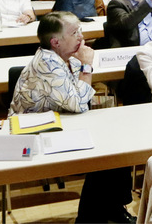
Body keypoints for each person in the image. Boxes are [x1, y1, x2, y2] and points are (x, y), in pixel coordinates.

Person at [9, 11, 134, 223]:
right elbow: (78, 103)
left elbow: (78, 95)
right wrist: (87, 65)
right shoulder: (48, 63)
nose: (81, 37)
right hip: (33, 134)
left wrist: (81, 66)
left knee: (116, 143)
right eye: (74, 32)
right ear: (55, 41)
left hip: (61, 122)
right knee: (104, 153)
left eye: (80, 30)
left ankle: (113, 208)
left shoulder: (66, 58)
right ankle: (92, 217)